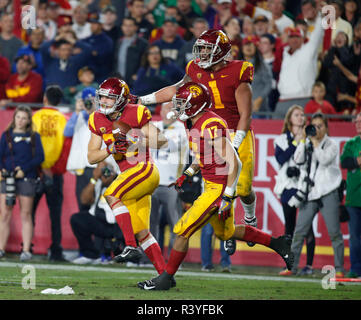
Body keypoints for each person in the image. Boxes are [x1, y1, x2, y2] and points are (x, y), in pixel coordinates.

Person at [137, 82, 294, 290]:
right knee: (226, 233)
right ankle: (278, 243)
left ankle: (166, 277)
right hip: (211, 184)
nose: (178, 108)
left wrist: (228, 197)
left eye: (183, 104)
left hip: (219, 189)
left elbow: (234, 162)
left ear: (195, 105)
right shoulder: (192, 121)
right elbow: (205, 155)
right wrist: (188, 173)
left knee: (182, 229)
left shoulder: (210, 124)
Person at [137, 29, 258, 252]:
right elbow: (176, 90)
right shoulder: (194, 68)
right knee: (217, 186)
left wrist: (238, 140)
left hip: (234, 130)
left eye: (206, 49)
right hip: (209, 130)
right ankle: (228, 229)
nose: (201, 53)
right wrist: (142, 100)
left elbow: (246, 114)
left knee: (243, 188)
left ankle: (250, 217)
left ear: (220, 51)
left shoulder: (239, 71)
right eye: (200, 48)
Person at [87, 77, 170, 276]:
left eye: (110, 98)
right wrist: (111, 148)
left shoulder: (136, 112)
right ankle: (164, 276)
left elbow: (162, 141)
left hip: (143, 169)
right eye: (103, 97)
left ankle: (130, 246)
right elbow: (91, 157)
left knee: (111, 195)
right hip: (130, 178)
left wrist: (133, 139)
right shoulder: (97, 119)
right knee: (142, 231)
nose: (104, 102)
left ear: (122, 99)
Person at [289, 113, 345, 277]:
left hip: (329, 192)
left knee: (335, 233)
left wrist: (313, 143)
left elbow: (324, 160)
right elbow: (297, 160)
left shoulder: (332, 145)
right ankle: (291, 267)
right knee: (299, 232)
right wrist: (303, 142)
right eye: (314, 126)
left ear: (326, 128)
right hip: (311, 193)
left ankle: (340, 269)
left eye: (320, 126)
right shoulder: (308, 143)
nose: (317, 129)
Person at [273, 105, 315, 276]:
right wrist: (297, 141)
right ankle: (289, 265)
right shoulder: (282, 139)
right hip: (288, 186)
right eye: (297, 115)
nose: (300, 117)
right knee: (289, 228)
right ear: (290, 119)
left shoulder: (311, 138)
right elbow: (281, 158)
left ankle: (309, 266)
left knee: (308, 227)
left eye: (302, 115)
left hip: (305, 186)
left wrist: (304, 139)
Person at [0, 106, 44, 261]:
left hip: (27, 178)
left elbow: (40, 157)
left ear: (28, 120)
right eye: (18, 117)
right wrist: (2, 171)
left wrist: (23, 170)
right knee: (5, 214)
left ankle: (26, 250)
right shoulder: (6, 136)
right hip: (8, 178)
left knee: (25, 214)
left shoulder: (33, 136)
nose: (20, 121)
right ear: (14, 118)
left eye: (24, 118)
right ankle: (1, 248)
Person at [32, 85, 68, 262]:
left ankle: (27, 247)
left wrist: (38, 168)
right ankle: (56, 251)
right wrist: (54, 171)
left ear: (45, 98)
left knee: (28, 212)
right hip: (55, 175)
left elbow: (30, 146)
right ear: (59, 101)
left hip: (35, 172)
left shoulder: (35, 116)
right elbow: (64, 149)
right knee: (55, 214)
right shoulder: (63, 119)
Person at [149, 101, 188, 255]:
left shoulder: (182, 130)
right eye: (166, 108)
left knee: (176, 225)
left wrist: (147, 139)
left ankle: (174, 259)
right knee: (150, 225)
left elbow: (168, 145)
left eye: (172, 108)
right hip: (151, 183)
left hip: (172, 183)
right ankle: (150, 259)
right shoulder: (154, 125)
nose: (169, 111)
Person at [70, 161, 124, 265]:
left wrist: (112, 178)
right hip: (100, 222)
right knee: (77, 219)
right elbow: (84, 200)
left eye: (108, 171)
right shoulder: (97, 181)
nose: (106, 174)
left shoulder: (121, 181)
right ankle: (90, 254)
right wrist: (94, 178)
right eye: (104, 171)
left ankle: (129, 257)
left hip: (118, 224)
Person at [65, 87, 97, 211]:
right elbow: (67, 132)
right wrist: (77, 112)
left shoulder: (102, 116)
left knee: (95, 205)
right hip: (81, 167)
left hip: (95, 167)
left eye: (92, 100)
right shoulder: (78, 116)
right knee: (81, 203)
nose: (89, 103)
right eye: (87, 101)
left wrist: (94, 111)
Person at [340, 112, 361, 278]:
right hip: (354, 198)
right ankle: (355, 269)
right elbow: (344, 162)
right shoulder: (351, 144)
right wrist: (357, 161)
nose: (357, 123)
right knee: (354, 237)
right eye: (357, 120)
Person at [113, 16, 148, 88]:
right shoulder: (118, 42)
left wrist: (138, 74)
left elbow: (146, 62)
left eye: (130, 26)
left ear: (136, 27)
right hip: (119, 81)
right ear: (122, 27)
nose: (127, 28)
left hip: (134, 83)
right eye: (125, 25)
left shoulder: (142, 43)